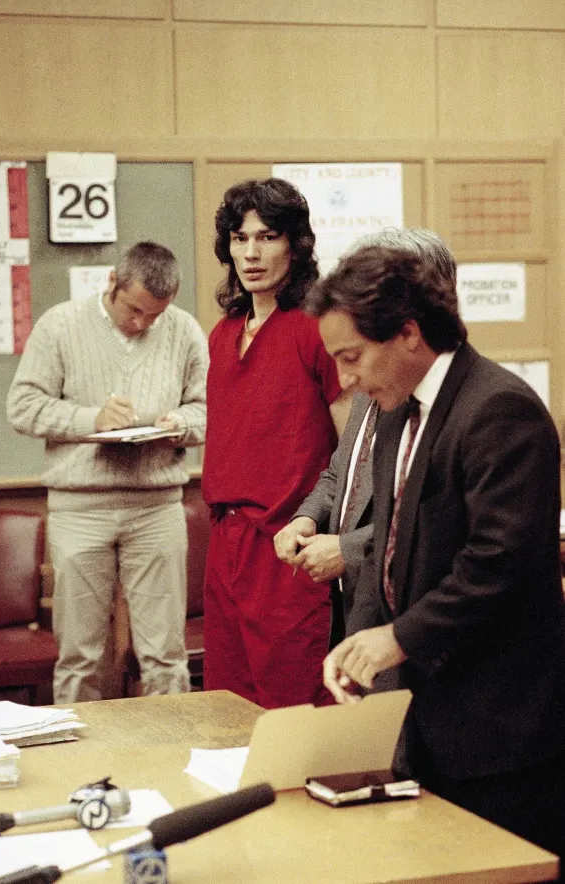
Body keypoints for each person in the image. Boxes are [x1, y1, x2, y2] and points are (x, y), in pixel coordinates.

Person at [305, 232, 565, 872]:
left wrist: (399, 638)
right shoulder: (398, 411)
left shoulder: (499, 409)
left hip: (502, 733)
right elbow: (393, 552)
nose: (345, 380)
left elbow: (496, 566)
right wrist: (362, 642)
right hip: (425, 718)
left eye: (353, 357)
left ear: (409, 333)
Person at [7, 241, 209, 703]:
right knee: (80, 657)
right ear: (112, 283)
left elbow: (209, 408)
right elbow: (21, 408)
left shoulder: (184, 331)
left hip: (157, 508)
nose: (142, 324)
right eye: (134, 310)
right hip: (80, 510)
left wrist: (180, 425)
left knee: (165, 655)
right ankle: (80, 767)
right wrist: (89, 419)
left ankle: (169, 756)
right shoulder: (59, 325)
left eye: (154, 316)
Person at [202, 177, 351, 709]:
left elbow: (351, 449)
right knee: (224, 708)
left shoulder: (315, 328)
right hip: (225, 542)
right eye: (241, 240)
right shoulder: (224, 332)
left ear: (295, 244)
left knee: (291, 708)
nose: (252, 253)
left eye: (266, 237)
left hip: (287, 546)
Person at [274, 229, 455, 644]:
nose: (345, 377)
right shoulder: (372, 378)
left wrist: (348, 550)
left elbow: (437, 523)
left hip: (416, 625)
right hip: (357, 603)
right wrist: (307, 517)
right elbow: (342, 470)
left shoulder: (462, 403)